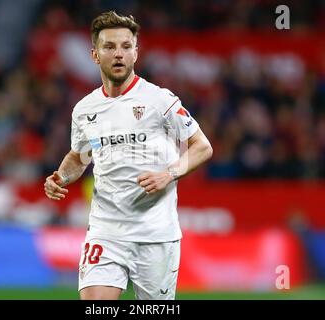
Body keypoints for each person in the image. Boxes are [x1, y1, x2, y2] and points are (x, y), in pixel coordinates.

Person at [44, 11, 213, 300]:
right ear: (95, 55)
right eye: (109, 47)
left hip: (156, 235)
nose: (118, 54)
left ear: (136, 53)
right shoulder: (84, 109)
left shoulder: (159, 99)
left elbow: (202, 147)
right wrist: (61, 176)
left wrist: (168, 173)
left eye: (126, 46)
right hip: (105, 230)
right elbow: (78, 156)